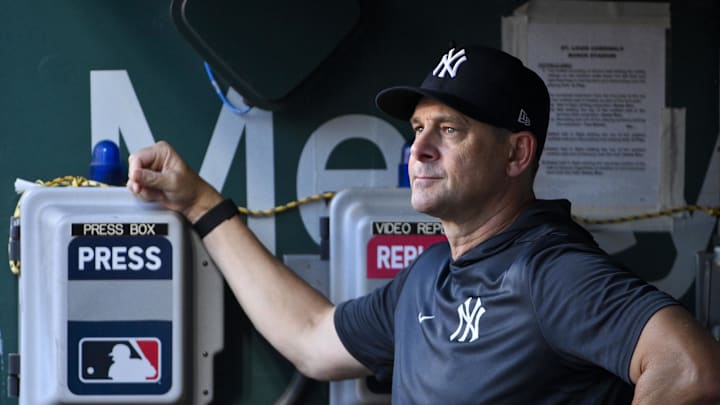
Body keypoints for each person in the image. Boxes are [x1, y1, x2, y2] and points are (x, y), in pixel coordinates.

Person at [127, 45, 720, 403]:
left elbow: (691, 369)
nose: (421, 150)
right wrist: (201, 203)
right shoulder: (431, 275)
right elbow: (310, 337)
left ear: (517, 155)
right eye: (418, 129)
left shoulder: (549, 270)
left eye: (451, 129)